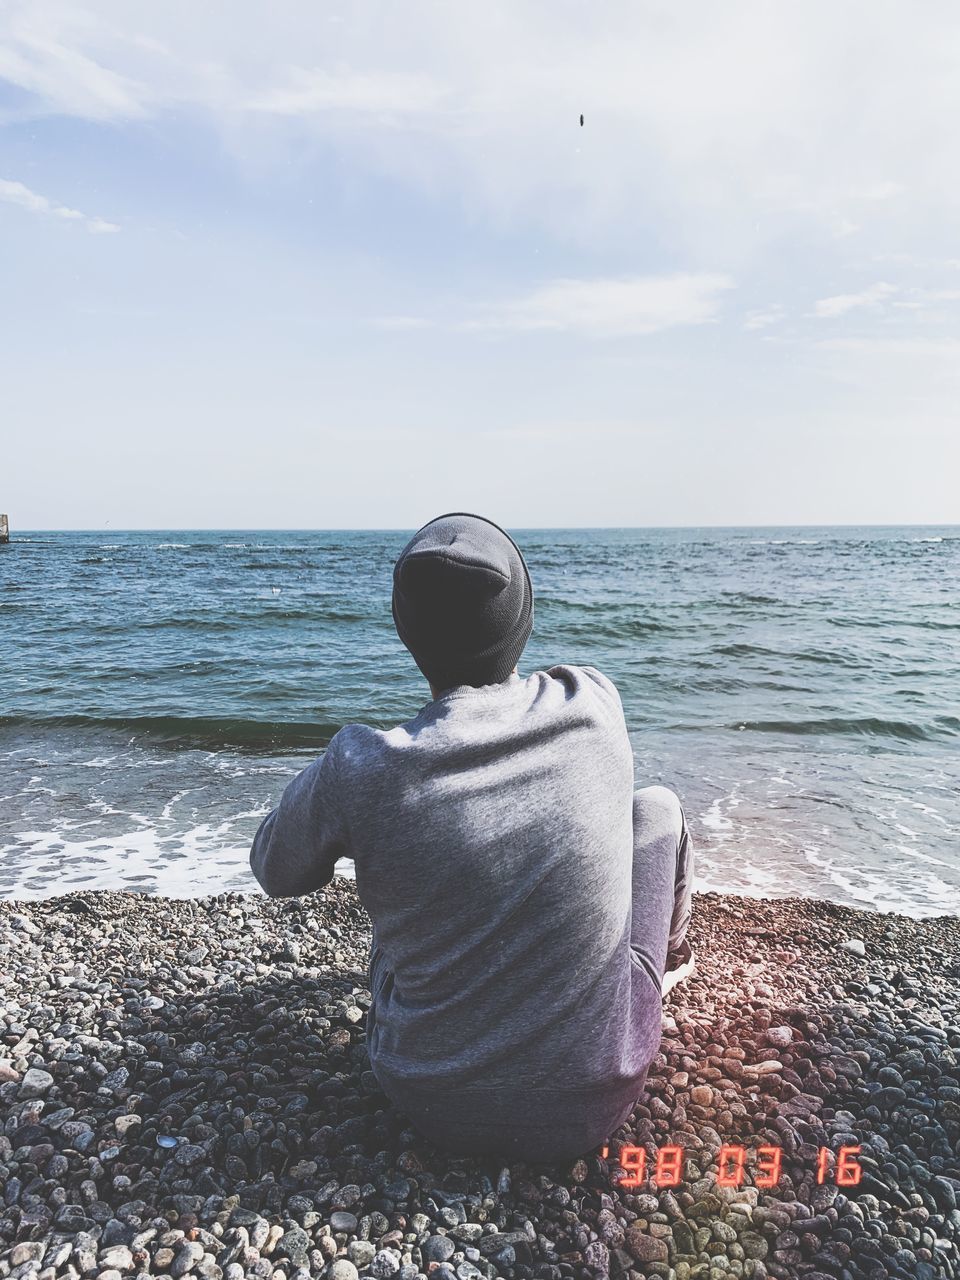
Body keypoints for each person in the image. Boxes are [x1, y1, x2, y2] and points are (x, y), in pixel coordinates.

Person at [249, 512, 695, 1162]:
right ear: (523, 619)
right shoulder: (593, 700)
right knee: (656, 809)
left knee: (409, 896)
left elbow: (276, 870)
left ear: (406, 632)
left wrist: (337, 800)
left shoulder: (364, 765)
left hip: (430, 1102)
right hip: (595, 1099)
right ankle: (663, 966)